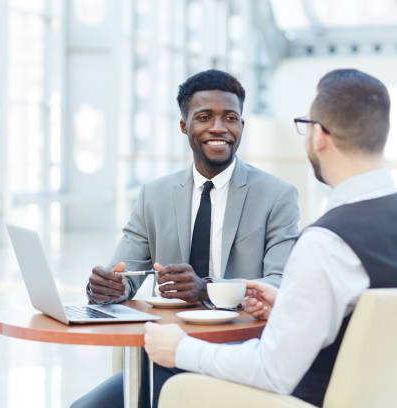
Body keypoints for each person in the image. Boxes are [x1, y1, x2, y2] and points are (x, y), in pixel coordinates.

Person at [144, 68, 397, 407]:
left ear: (319, 135)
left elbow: (273, 370)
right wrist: (289, 305)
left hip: (305, 398)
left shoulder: (328, 242)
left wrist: (179, 347)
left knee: (161, 382)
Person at [72, 69, 300, 407]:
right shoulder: (155, 194)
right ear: (184, 126)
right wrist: (107, 288)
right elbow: (124, 272)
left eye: (230, 118)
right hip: (166, 357)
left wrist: (206, 288)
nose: (219, 127)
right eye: (205, 117)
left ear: (241, 125)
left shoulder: (277, 195)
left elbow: (279, 284)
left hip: (241, 359)